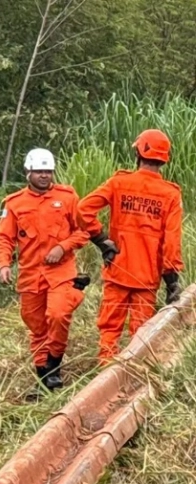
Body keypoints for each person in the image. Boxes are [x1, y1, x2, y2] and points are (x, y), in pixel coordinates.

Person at [77, 129, 184, 361]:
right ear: (164, 159)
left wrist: (102, 240)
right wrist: (171, 279)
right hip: (147, 277)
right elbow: (172, 240)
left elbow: (83, 209)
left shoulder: (119, 182)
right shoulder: (170, 194)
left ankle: (106, 370)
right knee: (141, 334)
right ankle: (136, 374)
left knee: (109, 330)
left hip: (118, 269)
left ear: (139, 153)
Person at [0, 148, 91, 394]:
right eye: (39, 171)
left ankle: (54, 367)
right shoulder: (14, 203)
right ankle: (44, 379)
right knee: (37, 327)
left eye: (48, 171)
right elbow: (4, 238)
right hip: (30, 275)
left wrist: (62, 247)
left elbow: (83, 231)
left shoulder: (67, 197)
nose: (44, 175)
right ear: (28, 172)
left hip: (61, 271)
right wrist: (4, 264)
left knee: (58, 315)